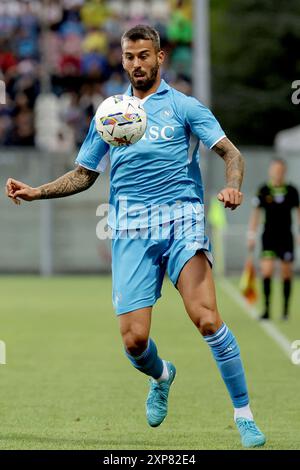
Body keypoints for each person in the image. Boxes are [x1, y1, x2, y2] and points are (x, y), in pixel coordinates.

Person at [6, 25, 265, 448]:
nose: (137, 64)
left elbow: (230, 153)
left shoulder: (185, 107)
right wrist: (37, 192)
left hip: (183, 221)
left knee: (207, 318)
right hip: (129, 226)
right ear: (123, 59)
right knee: (134, 340)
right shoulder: (110, 113)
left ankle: (244, 414)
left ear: (160, 58)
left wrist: (233, 184)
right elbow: (84, 174)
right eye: (129, 56)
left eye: (144, 55)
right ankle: (162, 375)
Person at [247, 159, 300, 320]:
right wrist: (251, 235)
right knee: (267, 271)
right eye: (275, 169)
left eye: (280, 169)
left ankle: (285, 310)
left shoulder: (292, 190)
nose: (277, 172)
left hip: (286, 238)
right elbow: (256, 214)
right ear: (271, 171)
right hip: (269, 237)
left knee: (286, 273)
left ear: (284, 171)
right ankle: (267, 309)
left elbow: (298, 213)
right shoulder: (263, 190)